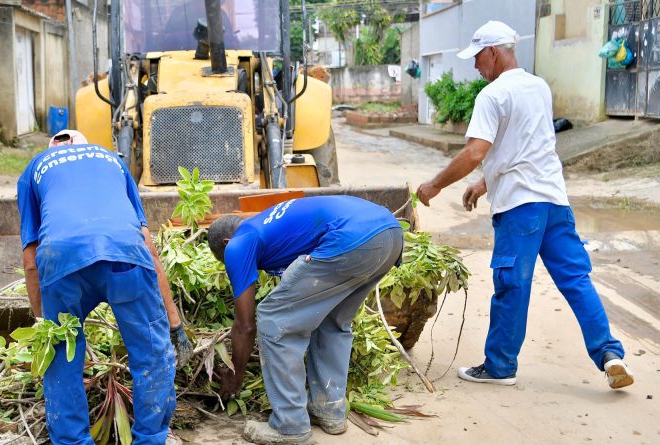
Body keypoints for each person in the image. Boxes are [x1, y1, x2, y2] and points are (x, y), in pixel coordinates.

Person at [416, 21, 634, 389]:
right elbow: (526, 147)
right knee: (576, 280)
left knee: (512, 284)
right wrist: (485, 183)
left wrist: (434, 185)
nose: (475, 66)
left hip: (520, 208)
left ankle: (500, 366)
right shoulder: (539, 87)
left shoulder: (492, 95)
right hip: (555, 202)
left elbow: (475, 152)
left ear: (493, 52)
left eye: (477, 57)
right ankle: (610, 354)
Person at [17, 130, 190, 445]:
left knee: (61, 357)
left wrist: (43, 323)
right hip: (125, 253)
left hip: (62, 260)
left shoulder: (35, 168)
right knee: (151, 353)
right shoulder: (113, 160)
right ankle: (150, 439)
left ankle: (72, 441)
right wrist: (174, 323)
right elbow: (148, 246)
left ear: (51, 149)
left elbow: (31, 258)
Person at [207, 196, 403, 445]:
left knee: (273, 317)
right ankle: (328, 410)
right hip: (389, 232)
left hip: (352, 237)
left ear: (226, 244)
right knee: (330, 320)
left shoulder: (238, 244)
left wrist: (235, 374)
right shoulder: (266, 225)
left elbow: (245, 325)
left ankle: (290, 425)